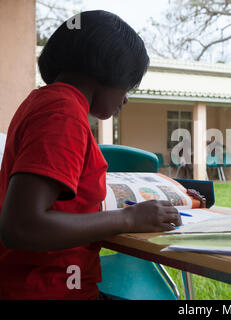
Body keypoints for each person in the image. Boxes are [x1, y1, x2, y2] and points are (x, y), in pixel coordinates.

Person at [0, 10, 182, 300]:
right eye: (128, 84)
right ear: (109, 70)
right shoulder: (63, 113)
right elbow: (21, 226)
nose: (126, 97)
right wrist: (127, 219)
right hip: (50, 291)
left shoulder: (44, 102)